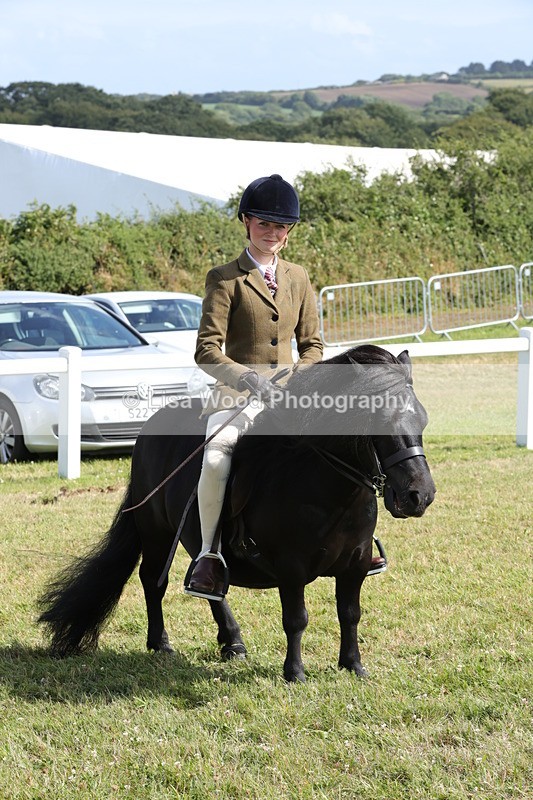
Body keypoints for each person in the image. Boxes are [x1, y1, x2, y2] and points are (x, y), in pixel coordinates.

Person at [184, 174, 385, 601]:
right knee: (218, 459)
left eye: (280, 226)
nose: (272, 233)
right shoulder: (224, 278)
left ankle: (359, 545)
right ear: (246, 222)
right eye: (264, 224)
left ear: (288, 231)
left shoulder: (299, 277)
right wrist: (249, 379)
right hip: (238, 394)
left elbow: (312, 344)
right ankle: (209, 556)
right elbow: (206, 350)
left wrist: (299, 379)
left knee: (348, 447)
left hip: (294, 394)